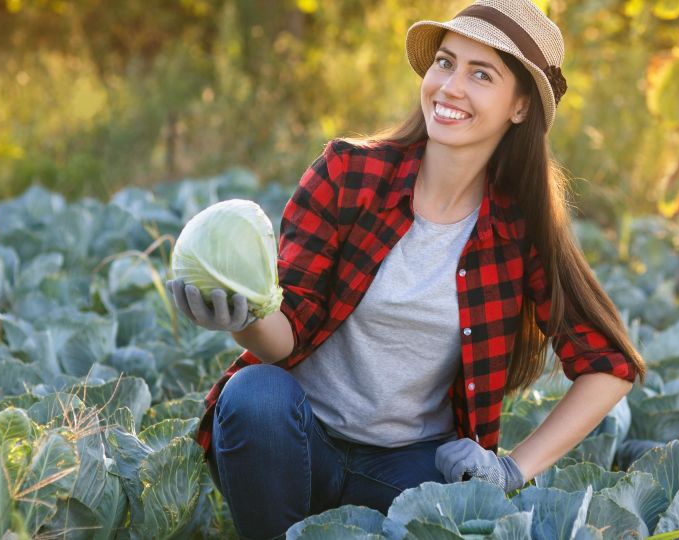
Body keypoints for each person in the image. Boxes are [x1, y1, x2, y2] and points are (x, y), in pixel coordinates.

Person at [166, 1, 647, 538]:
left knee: (444, 499)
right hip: (299, 438)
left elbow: (608, 364)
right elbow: (286, 334)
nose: (450, 87)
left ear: (519, 107)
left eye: (481, 73)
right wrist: (241, 314)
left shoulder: (520, 227)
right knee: (254, 394)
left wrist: (512, 468)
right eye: (446, 62)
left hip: (409, 471)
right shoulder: (347, 172)